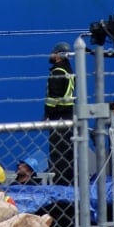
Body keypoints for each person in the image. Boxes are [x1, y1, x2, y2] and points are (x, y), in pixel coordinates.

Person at [45, 41, 75, 185]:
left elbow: (53, 97)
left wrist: (47, 115)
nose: (51, 55)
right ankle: (70, 180)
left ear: (58, 55)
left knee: (58, 151)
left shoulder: (57, 71)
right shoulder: (68, 71)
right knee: (69, 151)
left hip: (58, 116)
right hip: (69, 114)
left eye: (53, 52)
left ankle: (61, 182)